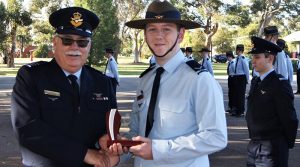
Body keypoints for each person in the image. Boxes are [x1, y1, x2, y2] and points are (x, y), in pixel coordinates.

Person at [100, 1, 227, 166]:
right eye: (152, 29)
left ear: (180, 35)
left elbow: (216, 137)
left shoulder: (200, 79)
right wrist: (120, 148)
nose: (159, 36)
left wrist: (158, 150)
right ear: (145, 35)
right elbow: (138, 132)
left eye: (167, 29)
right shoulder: (146, 79)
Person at [10, 7, 119, 167]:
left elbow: (111, 122)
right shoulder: (32, 77)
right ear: (55, 42)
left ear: (89, 46)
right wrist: (85, 154)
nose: (75, 47)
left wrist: (107, 139)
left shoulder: (103, 82)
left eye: (82, 42)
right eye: (67, 40)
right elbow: (27, 129)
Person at [246, 36, 298, 167]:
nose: (253, 61)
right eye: (253, 57)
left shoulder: (280, 84)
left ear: (269, 58)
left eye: (257, 57)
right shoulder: (256, 81)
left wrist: (284, 144)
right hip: (254, 145)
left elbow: (289, 118)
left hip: (272, 147)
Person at [231, 44, 249, 117]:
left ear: (240, 50)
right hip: (237, 77)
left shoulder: (243, 58)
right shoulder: (237, 58)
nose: (236, 51)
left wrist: (247, 79)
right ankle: (237, 110)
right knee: (236, 95)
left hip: (242, 77)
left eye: (237, 50)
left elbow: (246, 70)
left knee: (241, 95)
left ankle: (241, 111)